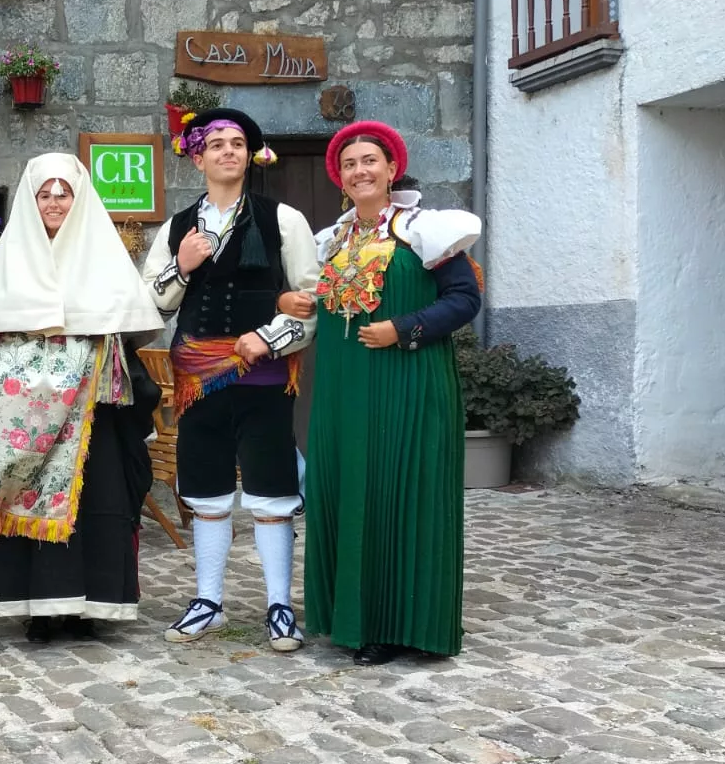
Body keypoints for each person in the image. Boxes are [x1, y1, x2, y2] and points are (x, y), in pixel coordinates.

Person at [286, 121, 481, 665]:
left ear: (391, 168)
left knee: (400, 490)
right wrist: (289, 306)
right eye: (349, 164)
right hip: (344, 390)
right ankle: (349, 618)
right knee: (349, 492)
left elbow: (464, 300)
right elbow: (315, 310)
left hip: (408, 383)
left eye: (369, 160)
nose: (360, 171)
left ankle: (400, 625)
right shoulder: (333, 241)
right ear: (339, 178)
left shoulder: (426, 230)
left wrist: (405, 329)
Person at [0, 153, 163, 640]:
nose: (54, 202)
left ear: (79, 199)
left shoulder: (104, 258)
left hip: (92, 412)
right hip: (20, 417)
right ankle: (38, 607)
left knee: (97, 499)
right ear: (30, 202)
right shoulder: (10, 260)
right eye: (43, 194)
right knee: (25, 492)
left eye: (63, 193)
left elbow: (133, 325)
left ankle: (92, 603)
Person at [141, 109, 318, 651]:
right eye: (216, 144)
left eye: (237, 143)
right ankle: (208, 601)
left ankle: (279, 606)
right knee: (206, 490)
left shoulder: (283, 219)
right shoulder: (176, 228)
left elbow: (310, 300)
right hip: (197, 378)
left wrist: (268, 337)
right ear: (198, 158)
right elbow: (150, 302)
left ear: (249, 156)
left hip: (262, 376)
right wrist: (183, 264)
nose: (227, 151)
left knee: (271, 490)